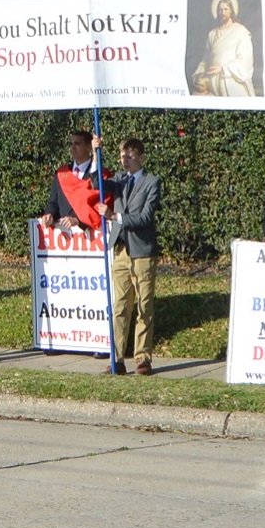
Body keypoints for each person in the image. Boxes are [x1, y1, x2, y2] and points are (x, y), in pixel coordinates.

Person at [106, 135, 161, 375]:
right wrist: (96, 152)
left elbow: (145, 217)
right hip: (121, 250)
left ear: (141, 157)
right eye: (122, 156)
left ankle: (143, 358)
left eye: (129, 156)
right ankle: (116, 358)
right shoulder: (117, 180)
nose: (124, 160)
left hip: (142, 252)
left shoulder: (151, 182)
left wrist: (116, 217)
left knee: (144, 305)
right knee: (120, 306)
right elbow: (95, 183)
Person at [191, 0, 261, 97]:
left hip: (232, 83)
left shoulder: (240, 31)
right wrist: (197, 74)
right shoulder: (212, 33)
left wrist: (223, 68)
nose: (222, 12)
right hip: (213, 84)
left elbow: (245, 60)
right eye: (220, 10)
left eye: (225, 9)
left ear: (231, 11)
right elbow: (206, 59)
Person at [43, 128, 107, 235]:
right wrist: (50, 214)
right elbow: (54, 202)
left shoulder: (99, 174)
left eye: (77, 144)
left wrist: (77, 220)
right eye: (71, 144)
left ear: (88, 147)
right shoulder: (61, 173)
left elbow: (98, 206)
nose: (73, 148)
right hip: (64, 239)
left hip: (89, 237)